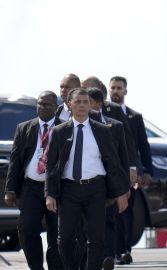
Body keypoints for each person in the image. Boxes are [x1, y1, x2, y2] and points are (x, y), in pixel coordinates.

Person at [45, 88, 130, 270]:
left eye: (86, 102)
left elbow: (113, 163)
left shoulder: (102, 130)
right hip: (69, 190)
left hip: (95, 189)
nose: (83, 105)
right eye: (78, 102)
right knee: (65, 238)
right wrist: (50, 194)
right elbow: (51, 165)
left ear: (90, 104)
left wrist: (121, 192)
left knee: (96, 238)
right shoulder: (59, 131)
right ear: (70, 104)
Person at [4, 91, 64, 270]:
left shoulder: (64, 128)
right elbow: (15, 161)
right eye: (40, 104)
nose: (42, 107)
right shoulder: (24, 128)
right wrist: (10, 189)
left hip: (56, 190)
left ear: (56, 108)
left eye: (47, 105)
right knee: (27, 230)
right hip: (31, 187)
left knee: (56, 233)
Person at [109, 76, 153, 265]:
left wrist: (147, 171)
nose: (116, 91)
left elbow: (143, 145)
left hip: (131, 172)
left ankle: (125, 249)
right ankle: (115, 250)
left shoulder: (134, 117)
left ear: (125, 91)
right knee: (112, 212)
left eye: (119, 88)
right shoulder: (103, 113)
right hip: (111, 171)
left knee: (127, 210)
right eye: (113, 88)